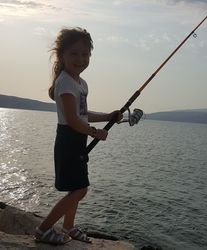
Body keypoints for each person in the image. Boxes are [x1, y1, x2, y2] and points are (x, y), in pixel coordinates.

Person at [34, 27, 122, 245]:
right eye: (74, 53)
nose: (80, 59)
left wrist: (107, 116)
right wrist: (95, 133)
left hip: (77, 139)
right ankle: (43, 229)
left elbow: (83, 114)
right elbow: (73, 120)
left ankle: (68, 226)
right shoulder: (64, 82)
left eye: (85, 54)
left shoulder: (81, 84)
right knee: (80, 189)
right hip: (68, 139)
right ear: (61, 55)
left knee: (77, 187)